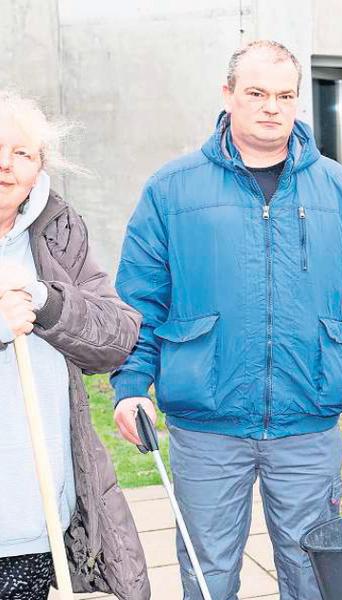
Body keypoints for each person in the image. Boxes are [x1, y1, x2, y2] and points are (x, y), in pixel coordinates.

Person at [111, 40, 342, 600]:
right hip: (206, 425)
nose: (272, 106)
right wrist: (129, 386)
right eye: (257, 93)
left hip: (308, 421)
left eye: (285, 95)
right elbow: (139, 301)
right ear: (229, 95)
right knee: (207, 572)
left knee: (312, 574)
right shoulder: (171, 190)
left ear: (297, 101)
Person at [0, 91, 149, 599]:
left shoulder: (56, 231)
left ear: (40, 164)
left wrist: (49, 303)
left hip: (35, 511)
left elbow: (117, 335)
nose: (6, 164)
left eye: (22, 152)